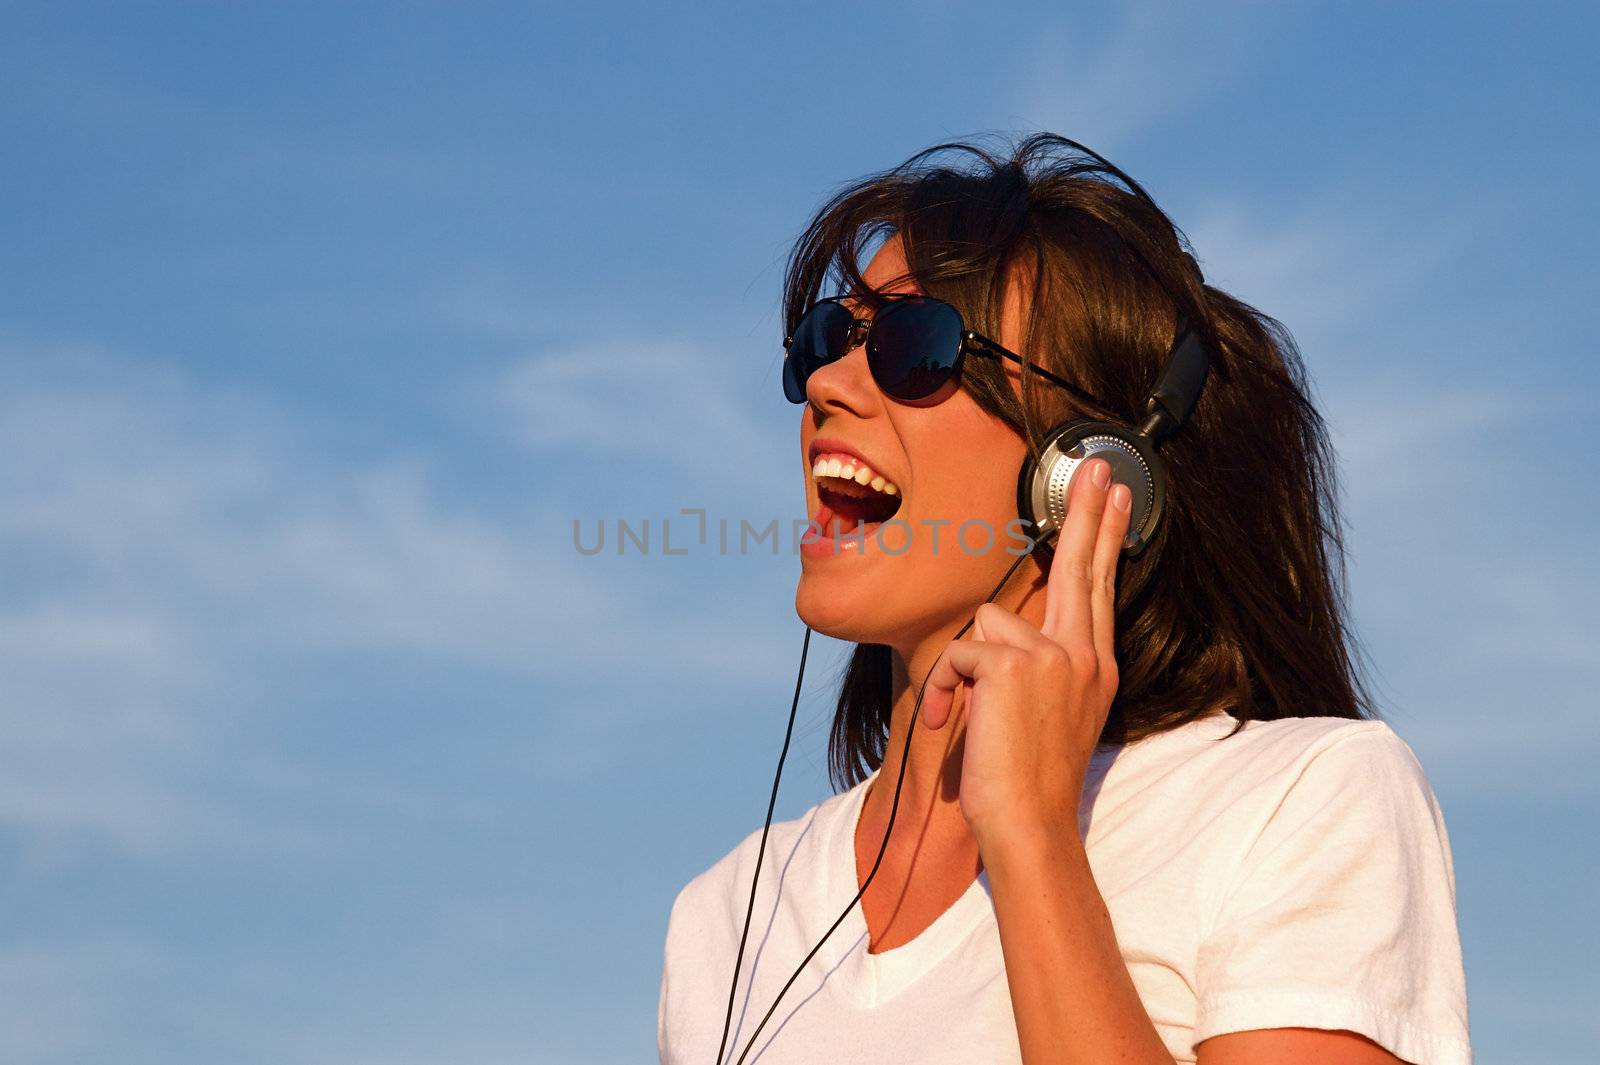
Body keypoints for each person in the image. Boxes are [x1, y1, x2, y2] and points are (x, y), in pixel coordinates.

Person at [656, 133, 1471, 1065]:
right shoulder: (726, 916)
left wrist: (1036, 835)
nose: (830, 385)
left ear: (1089, 464)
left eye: (915, 346)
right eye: (827, 339)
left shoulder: (1303, 801)